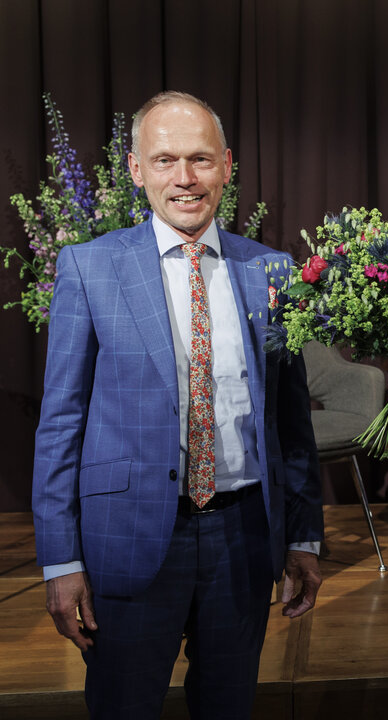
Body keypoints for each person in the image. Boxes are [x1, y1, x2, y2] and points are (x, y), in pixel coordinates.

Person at [32, 91, 325, 719]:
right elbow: (60, 423)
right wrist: (61, 559)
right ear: (136, 170)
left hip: (244, 539)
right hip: (127, 541)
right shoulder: (88, 268)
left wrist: (303, 536)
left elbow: (291, 424)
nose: (185, 179)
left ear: (225, 165)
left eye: (199, 159)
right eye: (165, 161)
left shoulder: (272, 272)